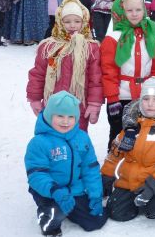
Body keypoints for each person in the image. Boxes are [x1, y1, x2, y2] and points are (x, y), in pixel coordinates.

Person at [101, 78, 155, 221]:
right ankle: (132, 199)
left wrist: (154, 185)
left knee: (152, 210)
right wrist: (106, 176)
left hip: (154, 181)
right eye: (146, 99)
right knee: (117, 214)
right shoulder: (132, 126)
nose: (150, 104)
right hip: (129, 181)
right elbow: (115, 153)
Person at [25, 91, 107, 237]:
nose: (65, 121)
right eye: (60, 116)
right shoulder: (39, 143)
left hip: (74, 189)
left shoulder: (82, 138)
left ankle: (71, 209)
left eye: (71, 117)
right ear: (50, 115)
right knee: (56, 213)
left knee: (96, 221)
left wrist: (95, 195)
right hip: (50, 191)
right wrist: (55, 191)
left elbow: (90, 169)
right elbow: (37, 175)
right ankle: (48, 218)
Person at [27, 0, 103, 132]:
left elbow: (95, 78)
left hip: (79, 104)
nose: (72, 25)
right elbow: (38, 74)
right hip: (53, 104)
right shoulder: (49, 46)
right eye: (67, 21)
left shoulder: (90, 48)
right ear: (60, 22)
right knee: (51, 136)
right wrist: (35, 98)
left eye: (77, 21)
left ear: (84, 22)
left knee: (77, 137)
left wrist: (94, 103)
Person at [100, 0, 155, 150]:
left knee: (143, 134)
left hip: (145, 95)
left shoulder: (150, 35)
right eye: (129, 10)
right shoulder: (113, 39)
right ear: (121, 11)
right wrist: (113, 99)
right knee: (118, 133)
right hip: (121, 96)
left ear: (144, 10)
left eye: (138, 9)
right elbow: (108, 71)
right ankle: (112, 166)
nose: (134, 14)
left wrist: (154, 90)